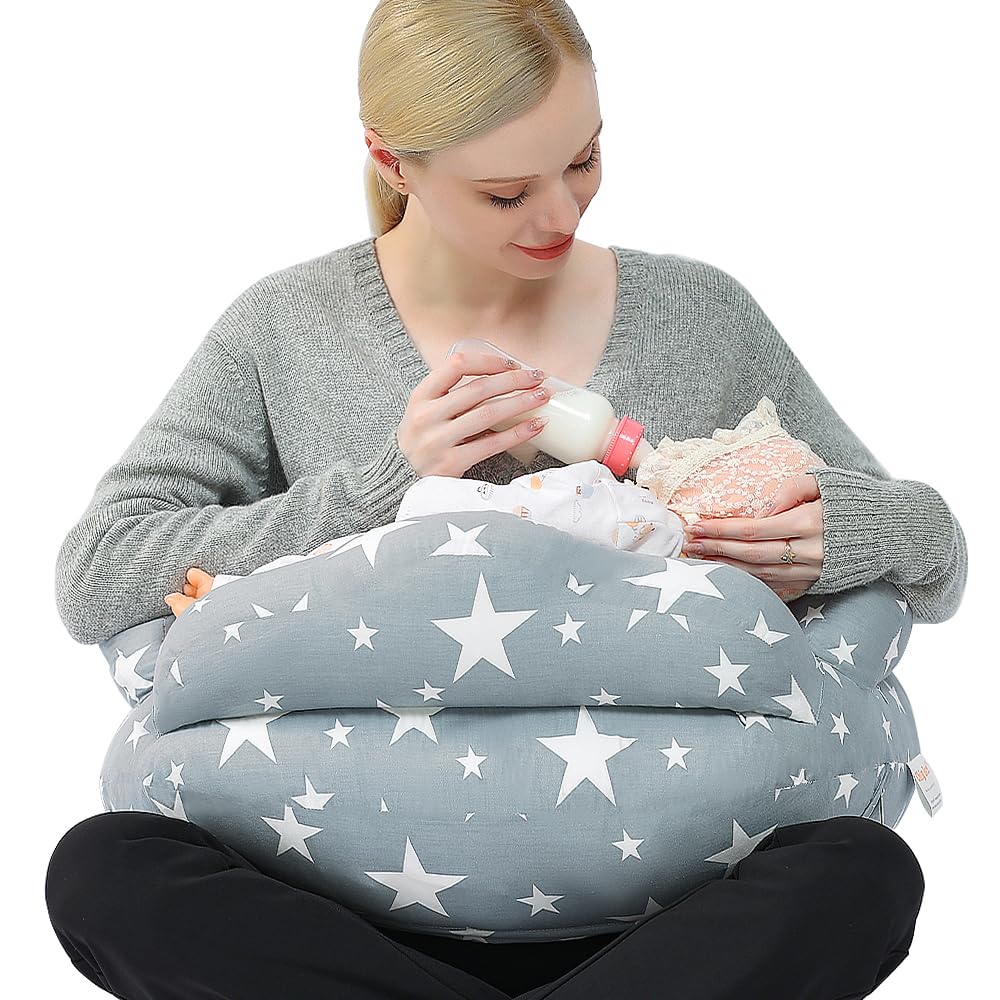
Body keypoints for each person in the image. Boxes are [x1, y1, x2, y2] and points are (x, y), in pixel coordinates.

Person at [47, 1, 964, 997]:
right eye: (505, 192)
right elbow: (98, 571)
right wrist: (383, 486)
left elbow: (935, 551)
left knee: (860, 876)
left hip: (666, 902)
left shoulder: (698, 315)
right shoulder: (282, 330)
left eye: (583, 161)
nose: (562, 217)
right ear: (392, 161)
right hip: (344, 905)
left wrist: (847, 528)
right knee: (106, 873)